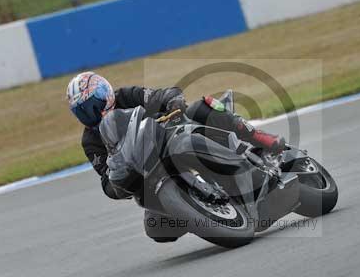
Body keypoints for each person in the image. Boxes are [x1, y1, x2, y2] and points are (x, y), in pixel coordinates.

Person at [66, 72, 286, 200]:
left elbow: (162, 94)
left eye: (97, 102)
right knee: (159, 230)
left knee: (202, 107)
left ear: (107, 91)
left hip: (174, 132)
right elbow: (106, 179)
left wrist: (174, 103)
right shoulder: (91, 141)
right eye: (87, 110)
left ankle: (258, 138)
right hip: (147, 171)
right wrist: (117, 185)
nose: (97, 111)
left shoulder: (126, 95)